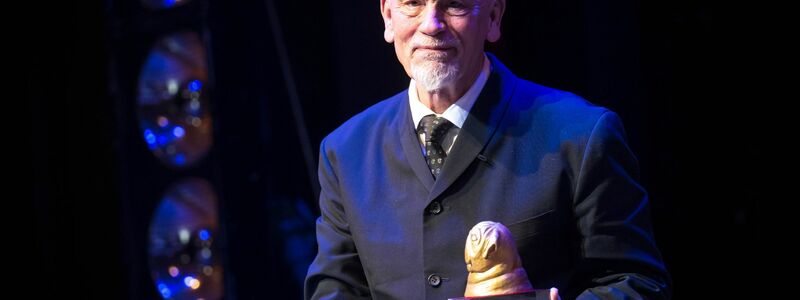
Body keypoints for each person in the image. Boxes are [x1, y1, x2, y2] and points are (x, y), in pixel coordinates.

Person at [304, 0, 671, 299]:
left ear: (494, 17)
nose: (432, 24)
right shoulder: (345, 152)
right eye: (412, 4)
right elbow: (335, 292)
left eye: (455, 5)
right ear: (387, 16)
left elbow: (638, 284)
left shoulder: (580, 135)